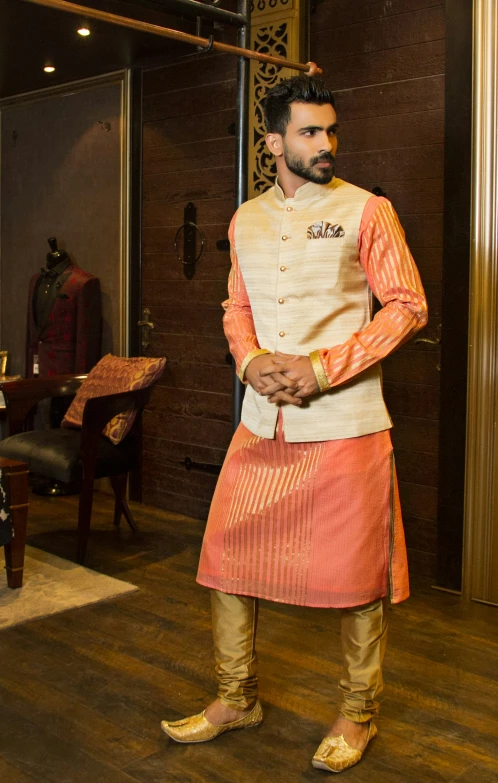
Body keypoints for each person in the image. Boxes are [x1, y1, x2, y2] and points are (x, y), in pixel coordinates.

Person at [161, 76, 428, 773]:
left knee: (357, 579)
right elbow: (235, 306)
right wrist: (248, 362)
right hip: (262, 422)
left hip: (346, 423)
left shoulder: (369, 211)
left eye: (331, 131)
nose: (327, 144)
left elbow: (406, 305)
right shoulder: (244, 218)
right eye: (310, 132)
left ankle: (358, 710)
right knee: (223, 556)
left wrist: (319, 367)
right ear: (273, 141)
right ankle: (235, 695)